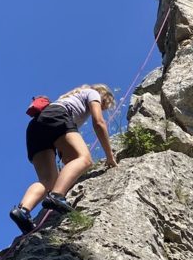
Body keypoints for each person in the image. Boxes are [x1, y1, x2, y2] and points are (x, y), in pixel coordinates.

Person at [9, 84, 118, 234]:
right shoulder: (93, 93)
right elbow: (99, 122)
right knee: (85, 159)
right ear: (103, 96)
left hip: (35, 127)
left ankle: (22, 211)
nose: (103, 108)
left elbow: (66, 154)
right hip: (57, 118)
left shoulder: (67, 100)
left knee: (48, 181)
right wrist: (110, 157)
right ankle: (56, 197)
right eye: (105, 105)